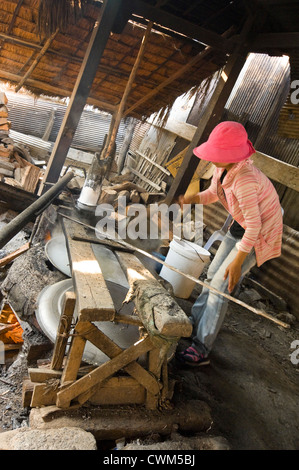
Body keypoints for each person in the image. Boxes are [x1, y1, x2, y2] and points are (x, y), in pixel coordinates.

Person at [176, 121, 283, 366]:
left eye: (218, 154)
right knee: (212, 275)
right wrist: (193, 198)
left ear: (232, 155)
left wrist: (237, 263)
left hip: (259, 233)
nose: (213, 158)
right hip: (241, 224)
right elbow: (214, 193)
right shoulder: (222, 169)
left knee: (220, 286)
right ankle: (195, 323)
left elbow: (255, 227)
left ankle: (201, 348)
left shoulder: (244, 180)